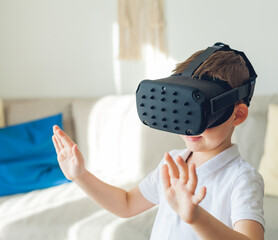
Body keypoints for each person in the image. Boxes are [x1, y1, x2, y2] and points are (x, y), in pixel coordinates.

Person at [52, 48, 265, 240]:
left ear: (237, 115)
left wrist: (196, 216)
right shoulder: (173, 162)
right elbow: (126, 204)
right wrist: (80, 176)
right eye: (185, 112)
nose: (191, 128)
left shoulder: (241, 179)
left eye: (204, 116)